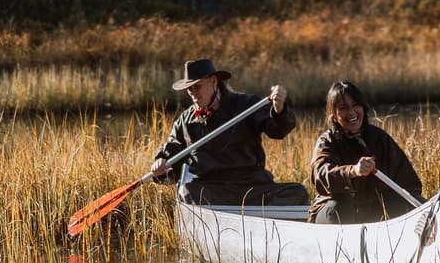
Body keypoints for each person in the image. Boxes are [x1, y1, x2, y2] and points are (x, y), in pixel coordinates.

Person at [148, 58, 311, 209]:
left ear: (213, 81)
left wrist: (279, 109)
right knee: (187, 192)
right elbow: (172, 153)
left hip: (252, 186)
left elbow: (278, 130)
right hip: (212, 190)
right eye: (189, 89)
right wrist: (162, 164)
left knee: (297, 192)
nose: (193, 93)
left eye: (197, 86)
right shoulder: (185, 121)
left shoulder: (246, 105)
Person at [308, 81, 423, 224]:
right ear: (334, 115)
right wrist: (353, 171)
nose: (351, 113)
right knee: (340, 209)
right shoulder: (327, 141)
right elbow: (320, 175)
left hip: (370, 211)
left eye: (355, 105)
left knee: (411, 203)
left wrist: (418, 210)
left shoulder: (379, 138)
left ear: (363, 107)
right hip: (332, 210)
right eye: (343, 108)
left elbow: (409, 184)